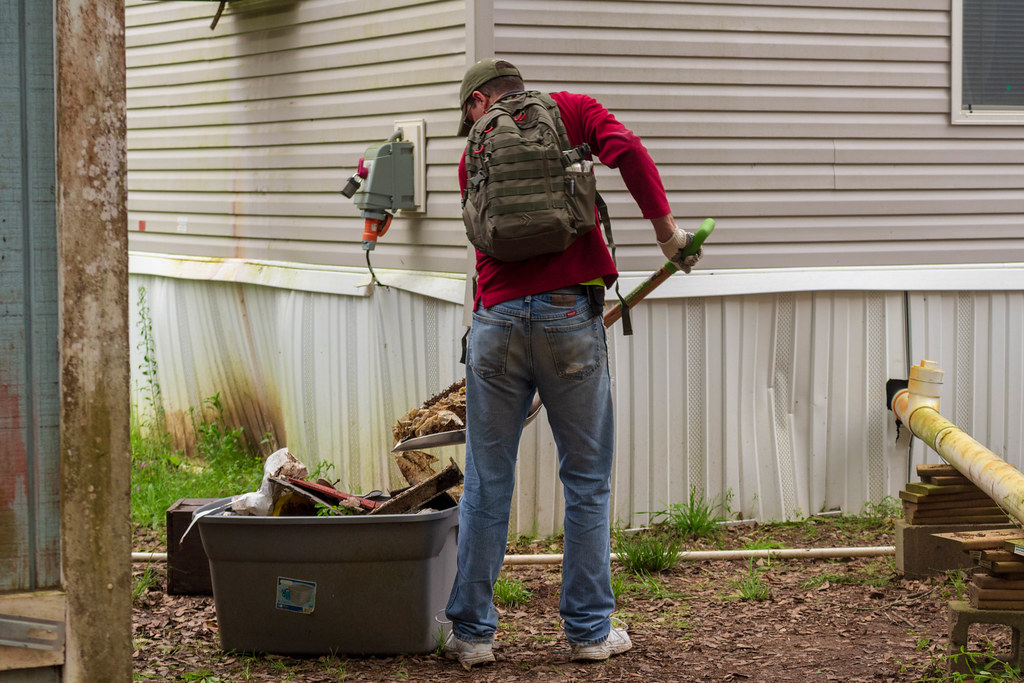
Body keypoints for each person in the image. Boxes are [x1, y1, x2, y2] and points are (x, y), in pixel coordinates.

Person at [442, 58, 703, 669]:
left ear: (478, 101)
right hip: (568, 320)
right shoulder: (573, 110)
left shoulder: (472, 155)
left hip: (496, 324)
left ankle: (474, 635)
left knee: (486, 478)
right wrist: (667, 235)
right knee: (585, 481)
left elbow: (486, 242)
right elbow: (630, 152)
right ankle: (589, 631)